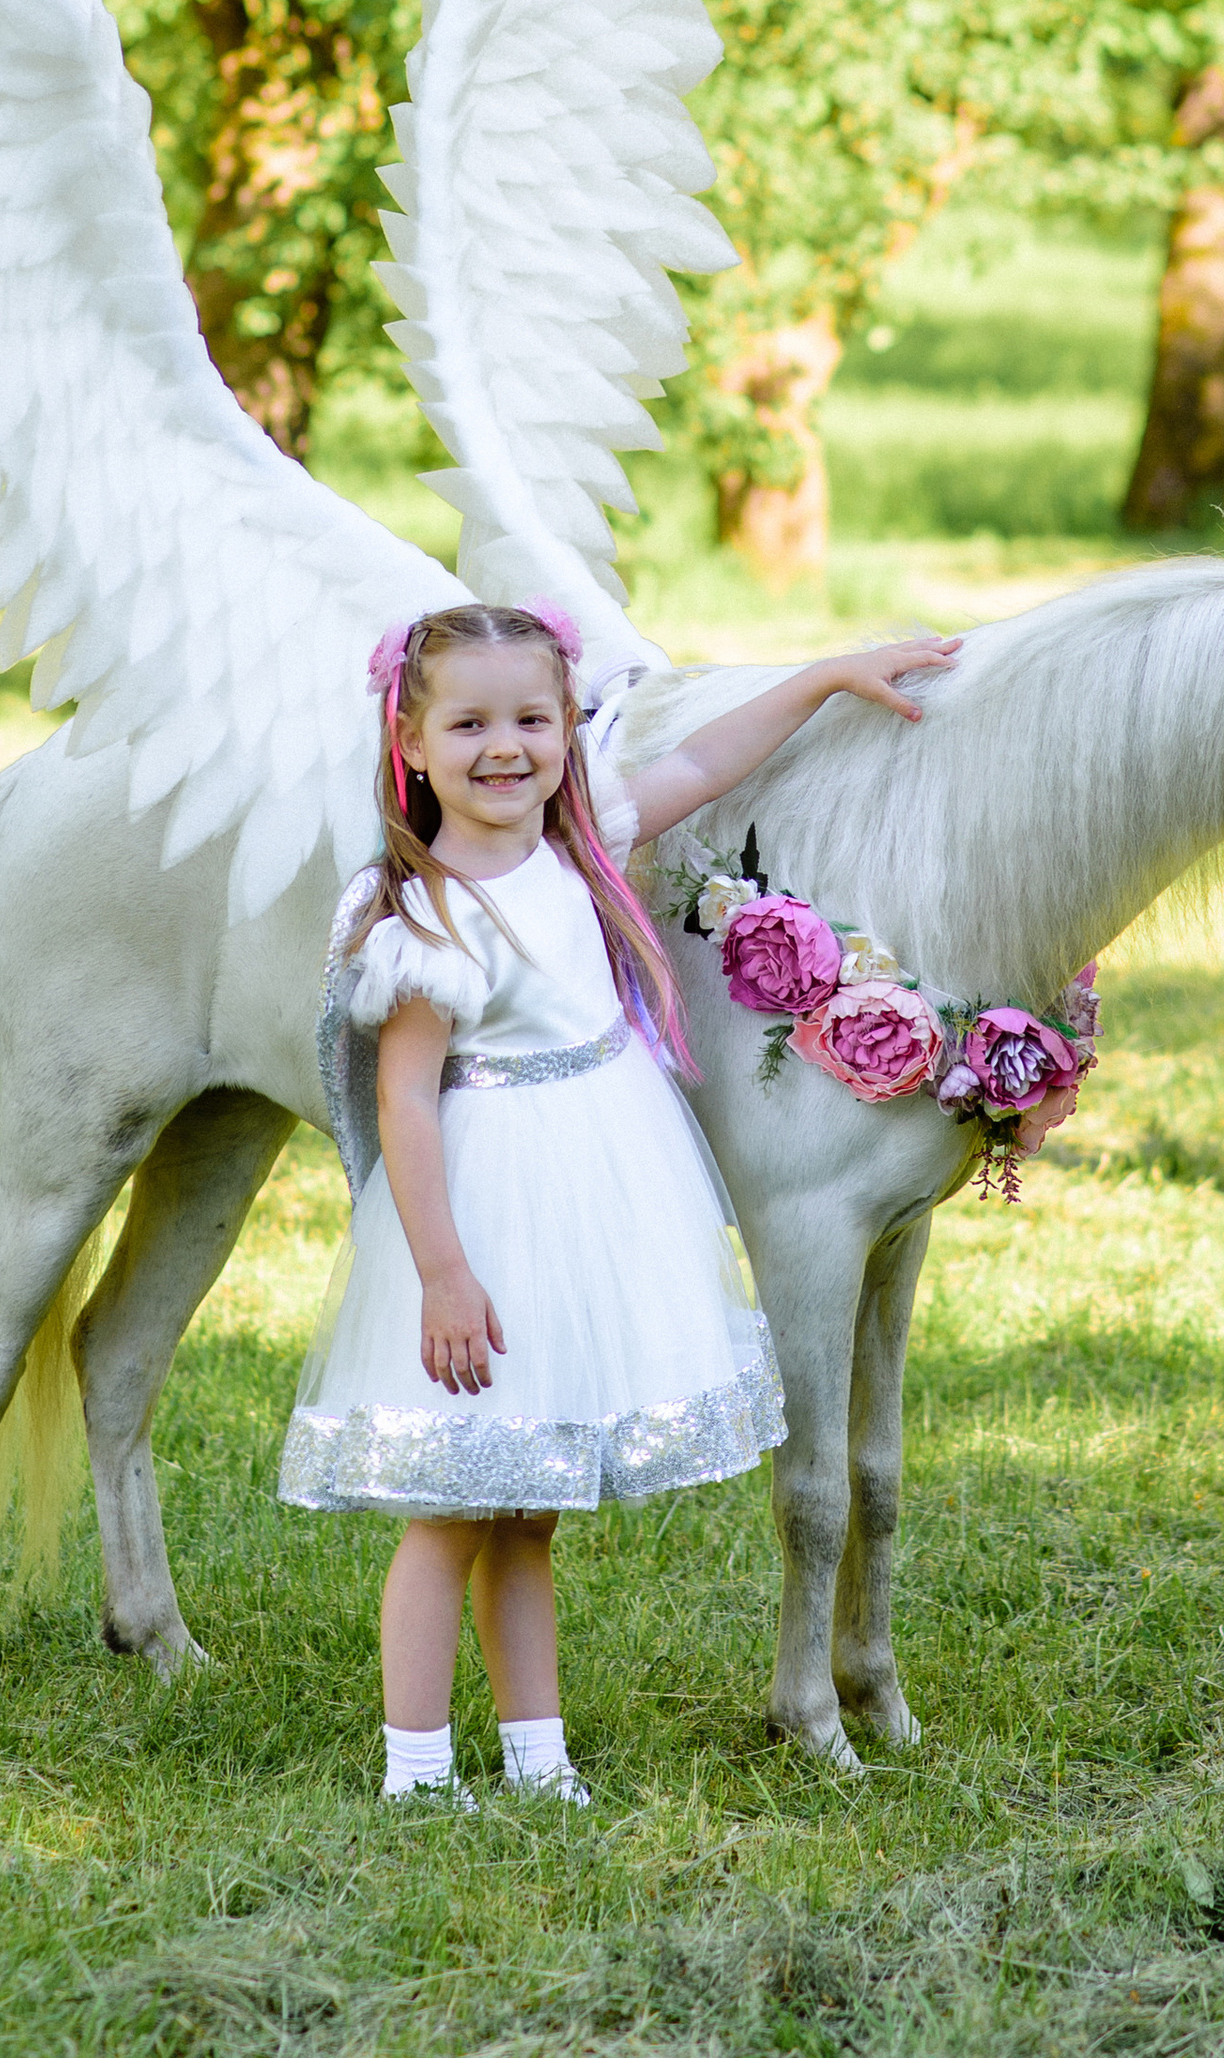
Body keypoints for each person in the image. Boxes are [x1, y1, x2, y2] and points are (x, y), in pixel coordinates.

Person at [279, 595, 959, 1808]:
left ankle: (538, 1754)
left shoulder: (577, 853)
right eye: (471, 723)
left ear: (565, 731)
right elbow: (408, 1109)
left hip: (590, 1192)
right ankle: (417, 1768)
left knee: (530, 1510)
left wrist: (824, 676)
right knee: (449, 1509)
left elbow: (702, 757)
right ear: (413, 744)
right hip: (484, 1217)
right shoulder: (425, 913)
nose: (506, 748)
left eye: (533, 719)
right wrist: (441, 1270)